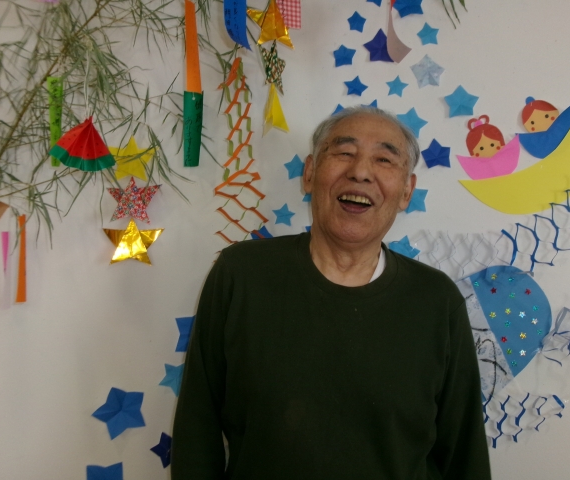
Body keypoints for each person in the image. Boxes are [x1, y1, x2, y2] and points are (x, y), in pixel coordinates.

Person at [172, 106, 491, 480]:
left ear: (407, 190)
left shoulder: (437, 301)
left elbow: (464, 456)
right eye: (344, 152)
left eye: (384, 160)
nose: (360, 172)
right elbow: (197, 429)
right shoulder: (241, 274)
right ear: (309, 173)